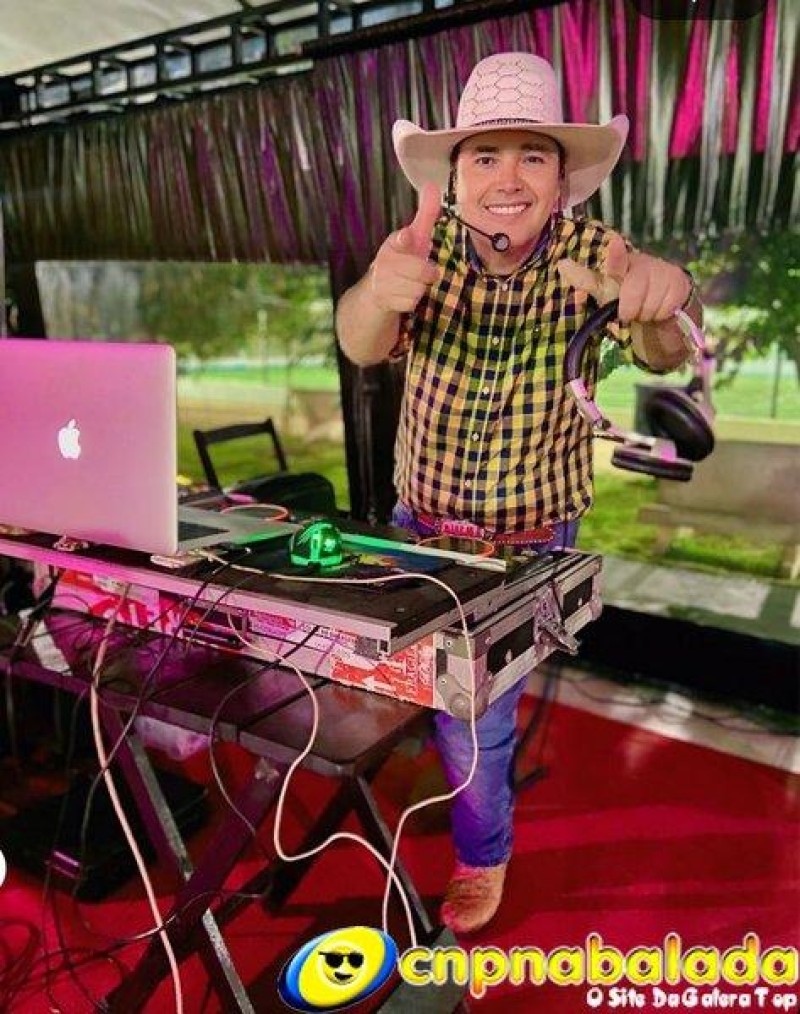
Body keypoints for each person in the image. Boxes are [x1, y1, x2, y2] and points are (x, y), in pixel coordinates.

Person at [335, 52, 702, 935]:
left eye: (532, 156)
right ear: (456, 175)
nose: (508, 179)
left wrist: (663, 299)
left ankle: (482, 853)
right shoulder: (421, 245)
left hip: (527, 542)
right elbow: (360, 339)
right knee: (381, 689)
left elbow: (664, 346)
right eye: (486, 156)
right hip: (418, 528)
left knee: (476, 720)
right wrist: (377, 294)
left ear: (560, 179)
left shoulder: (593, 250)